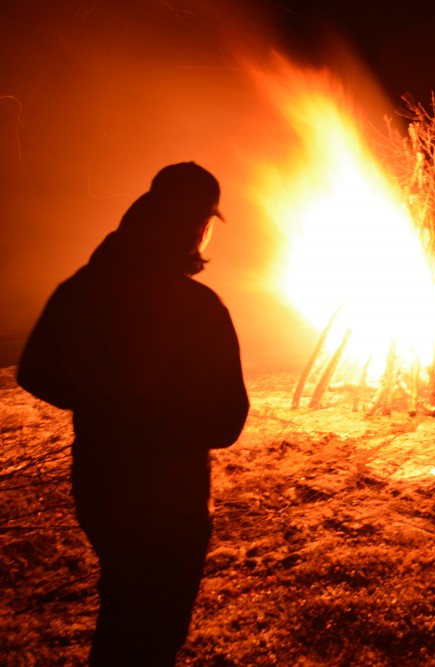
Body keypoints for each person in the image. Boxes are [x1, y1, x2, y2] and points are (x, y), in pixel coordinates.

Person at [17, 162, 250, 666]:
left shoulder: (82, 288)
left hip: (99, 483)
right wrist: (165, 429)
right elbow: (229, 420)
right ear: (196, 225)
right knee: (151, 629)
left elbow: (33, 372)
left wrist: (100, 403)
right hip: (169, 500)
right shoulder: (199, 308)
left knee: (123, 605)